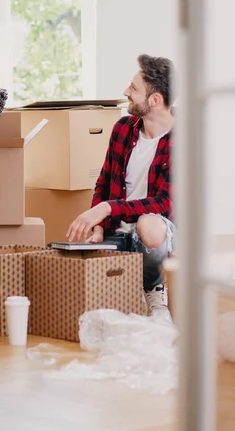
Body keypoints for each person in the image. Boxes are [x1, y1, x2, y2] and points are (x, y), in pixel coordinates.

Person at [67, 54, 176, 320]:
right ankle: (121, 294)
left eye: (133, 88)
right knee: (72, 250)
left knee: (149, 224)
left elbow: (164, 204)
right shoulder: (123, 129)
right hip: (119, 230)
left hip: (160, 234)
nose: (125, 92)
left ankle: (153, 290)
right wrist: (97, 227)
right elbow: (103, 182)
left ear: (155, 100)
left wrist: (106, 209)